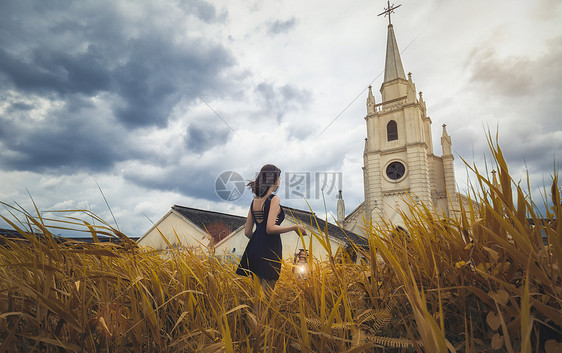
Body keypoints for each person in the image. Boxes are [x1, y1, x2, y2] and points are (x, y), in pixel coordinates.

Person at [236, 164, 307, 295]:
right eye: (279, 177)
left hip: (255, 249)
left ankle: (255, 316)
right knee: (267, 296)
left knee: (257, 295)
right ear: (274, 179)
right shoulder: (274, 199)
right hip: (270, 250)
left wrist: (259, 241)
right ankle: (263, 316)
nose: (280, 181)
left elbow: (247, 232)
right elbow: (269, 228)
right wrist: (295, 227)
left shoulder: (255, 201)